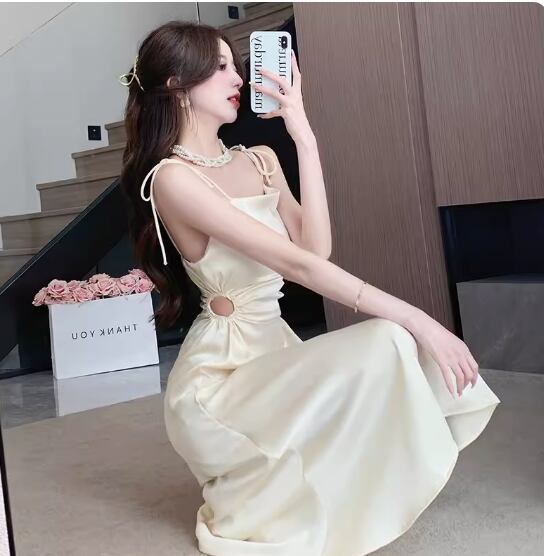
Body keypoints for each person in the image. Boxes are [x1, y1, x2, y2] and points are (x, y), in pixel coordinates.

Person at [119, 20, 500, 556]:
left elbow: (315, 249)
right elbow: (297, 265)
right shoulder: (171, 178)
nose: (239, 78)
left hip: (274, 349)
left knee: (388, 345)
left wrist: (304, 137)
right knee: (392, 336)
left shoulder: (259, 158)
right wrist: (420, 319)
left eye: (236, 64)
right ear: (177, 84)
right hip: (222, 375)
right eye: (221, 67)